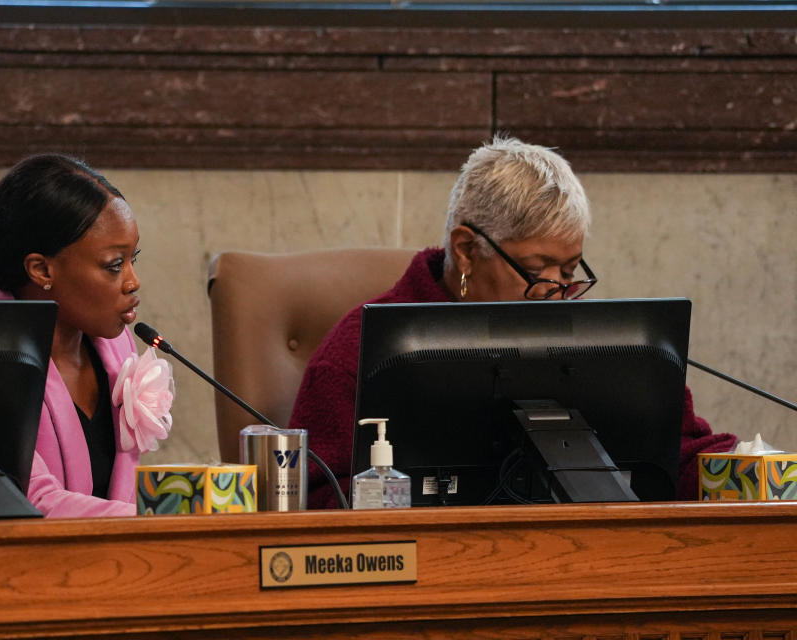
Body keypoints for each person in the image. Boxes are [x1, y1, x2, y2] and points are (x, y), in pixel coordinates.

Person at [289, 136, 736, 509]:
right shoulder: (356, 353)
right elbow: (314, 499)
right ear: (466, 250)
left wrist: (757, 469)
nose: (556, 292)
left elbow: (683, 459)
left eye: (569, 271)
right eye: (538, 270)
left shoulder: (606, 346)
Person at [0, 154, 149, 518]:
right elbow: (32, 502)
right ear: (42, 269)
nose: (133, 282)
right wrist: (163, 520)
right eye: (113, 265)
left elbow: (127, 489)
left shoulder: (115, 343)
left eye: (132, 259)